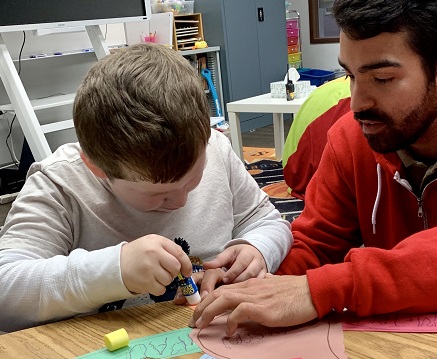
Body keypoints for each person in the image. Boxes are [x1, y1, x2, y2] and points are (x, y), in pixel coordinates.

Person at [190, 0, 437, 336]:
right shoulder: (351, 138)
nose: (357, 104)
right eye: (350, 75)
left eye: (383, 79)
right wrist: (253, 279)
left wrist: (325, 289)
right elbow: (316, 245)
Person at [0, 43, 293, 333]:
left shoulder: (216, 148)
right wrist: (115, 270)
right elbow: (6, 291)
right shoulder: (61, 183)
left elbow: (268, 222)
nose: (180, 201)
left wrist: (256, 248)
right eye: (158, 194)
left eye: (193, 180)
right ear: (96, 168)